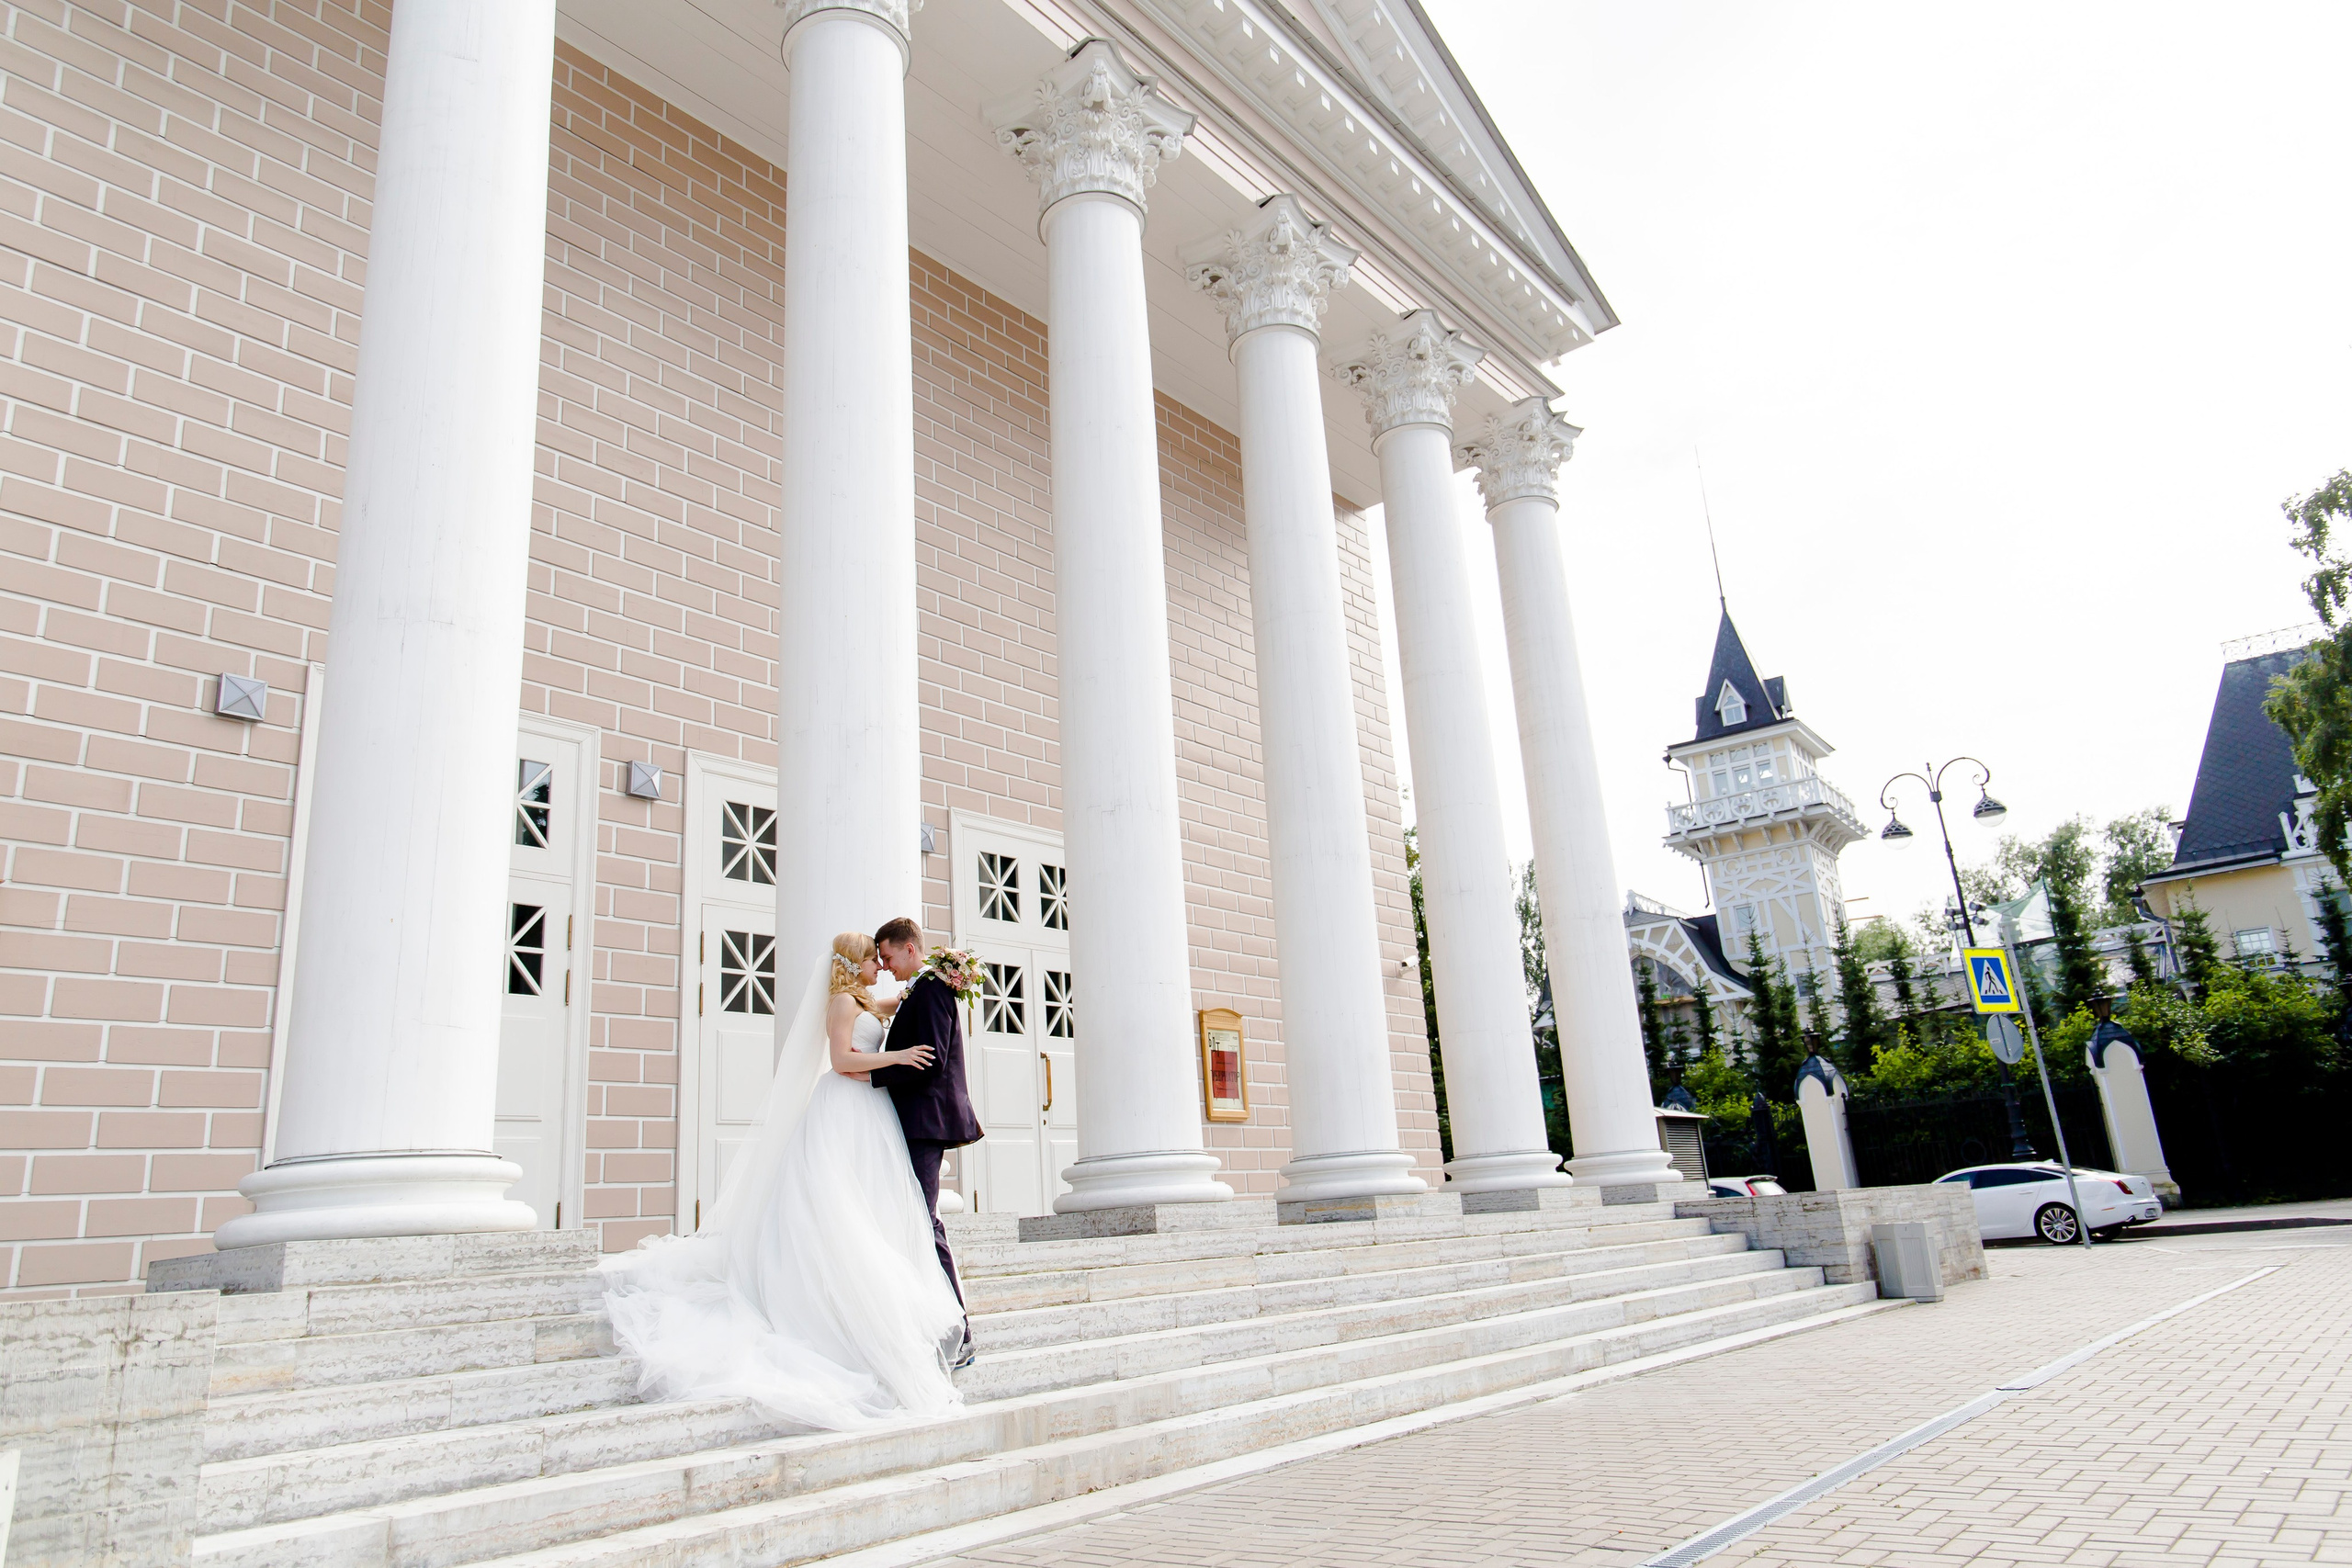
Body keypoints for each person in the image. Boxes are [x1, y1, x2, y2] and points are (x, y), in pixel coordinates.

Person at [598, 931, 967, 1428]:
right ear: (852, 963)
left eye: (884, 958)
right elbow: (842, 1061)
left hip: (871, 1113)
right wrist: (895, 1058)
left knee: (867, 1207)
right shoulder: (842, 1003)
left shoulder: (863, 999)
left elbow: (903, 1000)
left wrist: (942, 973)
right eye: (872, 959)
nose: (880, 966)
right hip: (844, 1106)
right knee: (835, 1203)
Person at [865, 918, 985, 1365]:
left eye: (888, 956)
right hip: (914, 1122)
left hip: (925, 1123)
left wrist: (872, 1075)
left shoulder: (932, 989)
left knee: (924, 1220)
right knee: (914, 1219)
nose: (885, 965)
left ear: (910, 949)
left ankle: (960, 1333)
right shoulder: (920, 989)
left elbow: (931, 1061)